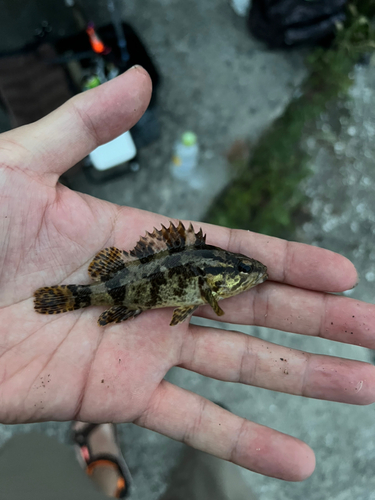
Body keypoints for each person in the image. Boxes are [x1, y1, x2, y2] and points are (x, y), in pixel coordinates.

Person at [0, 65, 374, 498]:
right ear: (218, 279)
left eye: (246, 273)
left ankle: (98, 453)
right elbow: (192, 299)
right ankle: (105, 460)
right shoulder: (207, 286)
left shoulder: (209, 277)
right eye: (242, 273)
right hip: (119, 287)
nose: (251, 278)